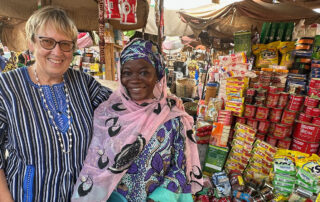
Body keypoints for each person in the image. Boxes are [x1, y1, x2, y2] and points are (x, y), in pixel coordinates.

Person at [0, 6, 112, 201]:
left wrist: (165, 102)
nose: (57, 51)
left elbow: (124, 109)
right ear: (32, 43)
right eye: (47, 42)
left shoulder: (84, 84)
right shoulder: (7, 87)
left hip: (80, 196)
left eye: (65, 44)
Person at [72, 38, 203, 202]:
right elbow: (95, 166)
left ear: (158, 74)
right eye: (127, 73)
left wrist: (157, 198)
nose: (135, 79)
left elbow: (180, 168)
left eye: (144, 72)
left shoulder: (173, 118)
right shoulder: (107, 114)